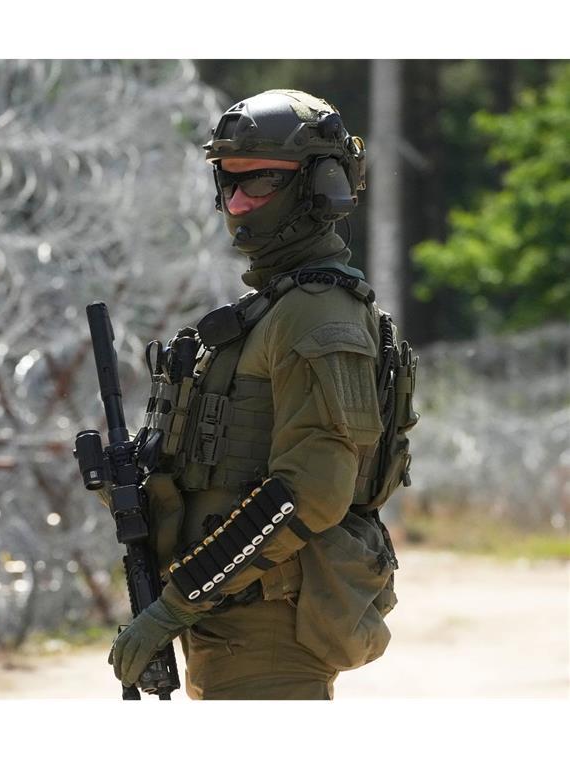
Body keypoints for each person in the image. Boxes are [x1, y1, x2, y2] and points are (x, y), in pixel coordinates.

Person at [109, 89, 413, 700]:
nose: (238, 202)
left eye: (261, 180)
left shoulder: (317, 314)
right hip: (232, 617)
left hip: (270, 628)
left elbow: (311, 493)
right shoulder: (271, 310)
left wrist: (177, 603)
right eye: (227, 180)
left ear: (322, 187)